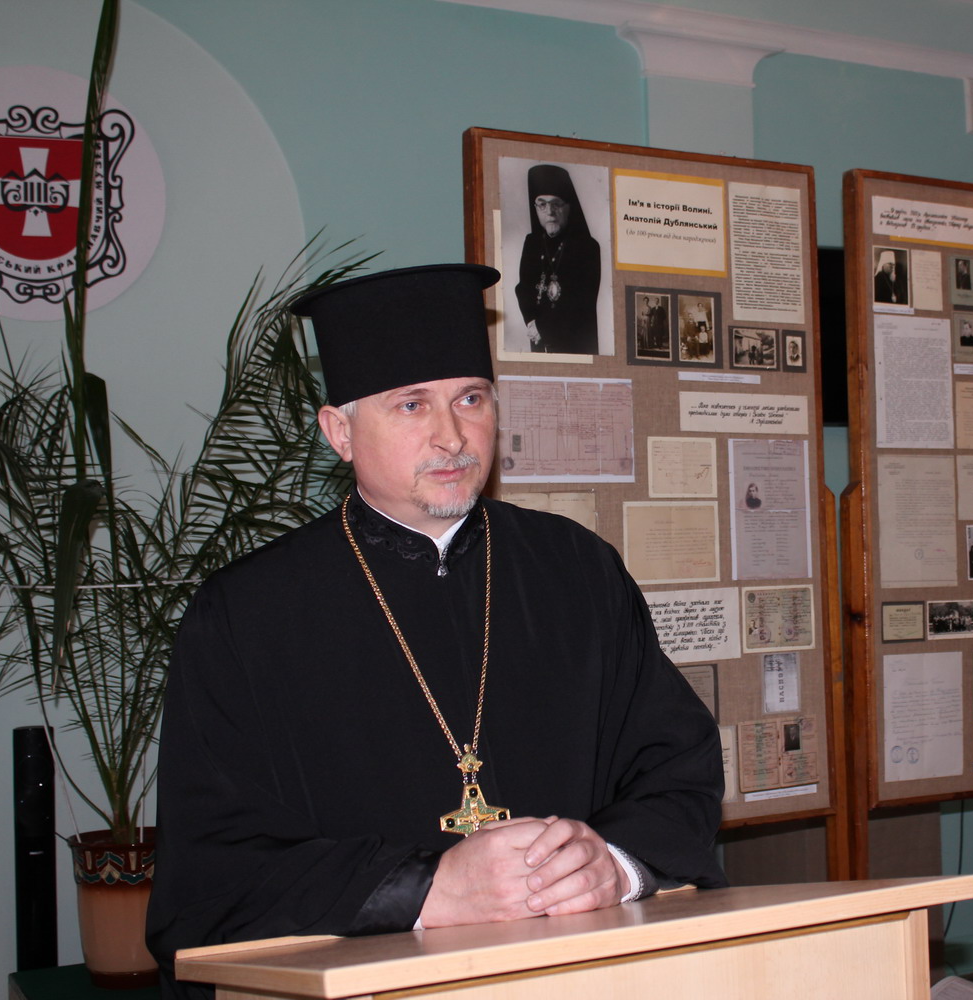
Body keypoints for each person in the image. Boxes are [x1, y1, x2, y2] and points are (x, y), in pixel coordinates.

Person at [146, 265, 726, 999]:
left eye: (470, 399)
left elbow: (677, 770)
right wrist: (424, 891)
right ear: (340, 433)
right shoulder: (245, 614)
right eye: (412, 405)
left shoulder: (578, 570)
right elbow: (213, 871)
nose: (451, 436)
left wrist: (612, 863)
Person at [515, 164, 601, 354]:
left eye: (556, 204)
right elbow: (523, 288)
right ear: (535, 208)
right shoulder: (532, 243)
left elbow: (581, 303)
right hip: (539, 341)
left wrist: (542, 328)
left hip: (574, 346)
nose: (549, 211)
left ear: (569, 207)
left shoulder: (587, 247)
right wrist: (531, 322)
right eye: (542, 204)